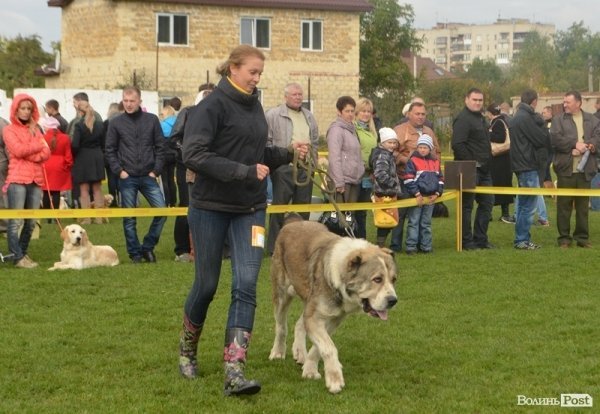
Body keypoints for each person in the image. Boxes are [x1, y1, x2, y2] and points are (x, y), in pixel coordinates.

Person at [179, 45, 308, 396]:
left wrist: (287, 153)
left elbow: (256, 153)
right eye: (252, 72)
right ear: (233, 68)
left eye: (260, 73)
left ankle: (234, 369)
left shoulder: (254, 107)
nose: (257, 78)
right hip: (209, 207)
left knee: (246, 284)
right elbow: (193, 154)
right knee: (206, 285)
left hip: (250, 208)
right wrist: (242, 171)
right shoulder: (210, 107)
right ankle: (187, 350)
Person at [105, 85, 167, 262]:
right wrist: (119, 171)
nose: (128, 104)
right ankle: (135, 254)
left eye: (132, 101)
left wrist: (156, 171)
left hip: (148, 175)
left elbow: (161, 147)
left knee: (162, 212)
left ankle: (147, 247)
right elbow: (109, 149)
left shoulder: (152, 120)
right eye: (125, 100)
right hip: (127, 177)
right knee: (129, 218)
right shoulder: (116, 122)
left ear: (140, 101)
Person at [265, 82, 318, 254]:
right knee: (279, 209)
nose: (298, 97)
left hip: (305, 168)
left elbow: (315, 141)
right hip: (283, 168)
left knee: (303, 209)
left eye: (300, 94)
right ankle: (274, 248)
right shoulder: (273, 115)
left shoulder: (309, 116)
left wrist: (313, 161)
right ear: (286, 96)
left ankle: (299, 247)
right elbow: (267, 143)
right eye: (294, 94)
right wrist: (287, 152)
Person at [2, 94, 51, 268]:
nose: (25, 111)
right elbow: (18, 150)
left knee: (31, 222)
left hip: (36, 180)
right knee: (15, 221)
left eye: (29, 108)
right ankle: (17, 257)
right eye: (22, 108)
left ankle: (22, 253)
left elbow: (47, 153)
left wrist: (33, 153)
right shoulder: (8, 130)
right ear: (16, 110)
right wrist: (38, 147)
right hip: (17, 180)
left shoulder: (36, 129)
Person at [170, 83, 216, 262]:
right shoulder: (187, 112)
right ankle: (182, 248)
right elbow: (174, 139)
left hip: (210, 167)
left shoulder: (218, 116)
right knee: (187, 205)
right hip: (187, 167)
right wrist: (190, 155)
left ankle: (207, 248)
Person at [550, 90, 600, 248]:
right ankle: (564, 239)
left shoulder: (592, 119)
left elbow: (598, 137)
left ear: (578, 103)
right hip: (566, 170)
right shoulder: (558, 120)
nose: (564, 105)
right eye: (564, 102)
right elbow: (555, 139)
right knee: (564, 206)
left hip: (585, 171)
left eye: (568, 102)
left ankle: (582, 238)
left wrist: (589, 146)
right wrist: (574, 145)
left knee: (583, 207)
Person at [391, 101, 441, 252]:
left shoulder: (429, 131)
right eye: (417, 114)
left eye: (423, 114)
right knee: (401, 214)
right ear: (409, 114)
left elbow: (437, 151)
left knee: (422, 217)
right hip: (404, 178)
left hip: (426, 184)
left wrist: (435, 171)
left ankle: (421, 245)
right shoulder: (400, 130)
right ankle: (396, 245)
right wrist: (405, 160)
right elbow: (391, 150)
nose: (420, 117)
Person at [452, 87, 495, 250]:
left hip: (485, 170)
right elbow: (457, 144)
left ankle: (481, 239)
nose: (477, 103)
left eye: (480, 100)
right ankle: (466, 241)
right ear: (466, 100)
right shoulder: (463, 119)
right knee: (466, 206)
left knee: (487, 203)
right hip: (468, 169)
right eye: (474, 99)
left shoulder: (481, 118)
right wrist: (473, 163)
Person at [510, 89, 551, 250]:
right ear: (534, 101)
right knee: (529, 206)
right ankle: (522, 240)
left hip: (520, 164)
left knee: (522, 205)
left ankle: (520, 238)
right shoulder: (526, 118)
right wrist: (542, 123)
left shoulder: (517, 116)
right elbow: (541, 139)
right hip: (528, 165)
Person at [403, 134, 444, 255]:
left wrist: (437, 193)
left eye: (425, 147)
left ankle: (426, 246)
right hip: (417, 197)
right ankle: (411, 247)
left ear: (430, 148)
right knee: (414, 222)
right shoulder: (412, 161)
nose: (422, 149)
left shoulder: (436, 161)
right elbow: (408, 179)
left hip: (431, 198)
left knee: (426, 223)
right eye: (420, 147)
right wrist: (416, 194)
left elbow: (440, 179)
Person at [72, 100, 106, 224]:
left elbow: (75, 145)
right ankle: (99, 218)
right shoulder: (100, 125)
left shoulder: (78, 125)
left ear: (79, 111)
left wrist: (74, 155)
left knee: (84, 190)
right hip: (97, 157)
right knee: (97, 189)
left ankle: (87, 218)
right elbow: (104, 144)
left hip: (83, 157)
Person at [327, 96, 364, 206]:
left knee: (350, 214)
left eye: (352, 111)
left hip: (353, 180)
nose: (350, 114)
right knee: (339, 214)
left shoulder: (352, 130)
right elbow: (334, 158)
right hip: (341, 181)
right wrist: (339, 182)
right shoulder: (336, 130)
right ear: (339, 112)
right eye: (347, 111)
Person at [369, 127, 401, 247]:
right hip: (383, 193)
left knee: (389, 220)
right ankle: (380, 244)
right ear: (382, 143)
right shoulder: (382, 156)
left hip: (388, 192)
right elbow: (380, 174)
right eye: (389, 142)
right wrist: (394, 183)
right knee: (384, 221)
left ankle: (381, 243)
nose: (392, 145)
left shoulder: (389, 155)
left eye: (394, 142)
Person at [353, 97, 378, 239]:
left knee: (362, 211)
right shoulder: (353, 129)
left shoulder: (372, 131)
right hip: (355, 174)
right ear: (356, 112)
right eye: (363, 111)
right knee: (352, 209)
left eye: (369, 111)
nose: (366, 114)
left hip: (368, 175)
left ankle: (362, 238)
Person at [486, 103, 514, 223]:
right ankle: (503, 214)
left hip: (499, 161)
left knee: (495, 187)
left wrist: (487, 134)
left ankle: (496, 214)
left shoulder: (497, 123)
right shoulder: (502, 121)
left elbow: (501, 138)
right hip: (502, 161)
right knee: (501, 187)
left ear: (490, 113)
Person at [40, 116, 73, 219]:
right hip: (60, 167)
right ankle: (56, 216)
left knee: (46, 192)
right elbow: (68, 155)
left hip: (45, 166)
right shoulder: (65, 138)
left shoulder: (42, 138)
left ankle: (47, 216)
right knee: (56, 192)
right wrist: (68, 165)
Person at [103, 103, 122, 206]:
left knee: (111, 178)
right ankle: (121, 198)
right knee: (120, 177)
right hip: (121, 154)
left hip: (108, 153)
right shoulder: (122, 122)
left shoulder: (105, 123)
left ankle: (113, 200)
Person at [160, 104, 178, 207]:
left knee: (164, 180)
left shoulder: (162, 125)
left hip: (164, 154)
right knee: (171, 179)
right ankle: (173, 201)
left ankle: (166, 202)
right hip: (174, 154)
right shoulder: (177, 124)